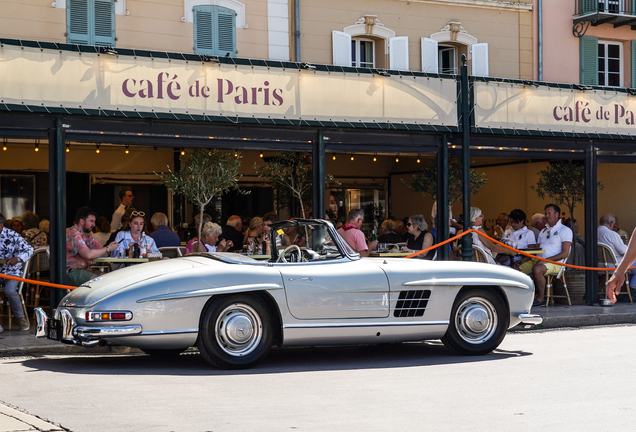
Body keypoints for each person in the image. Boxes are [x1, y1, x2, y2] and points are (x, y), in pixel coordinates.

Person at [516, 204, 572, 307]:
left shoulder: (565, 230)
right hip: (538, 260)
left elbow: (565, 253)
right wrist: (525, 259)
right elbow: (537, 249)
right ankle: (520, 298)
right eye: (545, 213)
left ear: (556, 214)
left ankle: (540, 298)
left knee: (537, 270)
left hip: (555, 263)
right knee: (516, 269)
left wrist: (546, 260)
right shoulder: (543, 230)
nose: (546, 216)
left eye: (549, 213)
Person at [66, 207, 120, 286]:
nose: (94, 225)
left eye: (94, 222)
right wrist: (108, 248)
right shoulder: (73, 234)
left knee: (109, 278)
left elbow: (101, 250)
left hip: (83, 269)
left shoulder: (87, 234)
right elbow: (88, 254)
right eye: (91, 221)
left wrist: (108, 250)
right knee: (99, 282)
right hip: (70, 271)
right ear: (82, 221)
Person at [0, 213, 34, 332]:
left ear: (1, 225)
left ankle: (21, 319)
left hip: (12, 271)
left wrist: (18, 258)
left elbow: (29, 249)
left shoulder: (12, 235)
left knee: (10, 291)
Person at [598, 213, 636, 290]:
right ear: (612, 223)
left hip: (598, 264)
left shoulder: (593, 233)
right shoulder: (612, 234)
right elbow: (625, 252)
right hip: (614, 264)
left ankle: (631, 288)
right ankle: (632, 289)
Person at [607, 226, 636, 303]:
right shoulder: (612, 234)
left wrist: (620, 270)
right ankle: (632, 291)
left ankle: (632, 290)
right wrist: (620, 270)